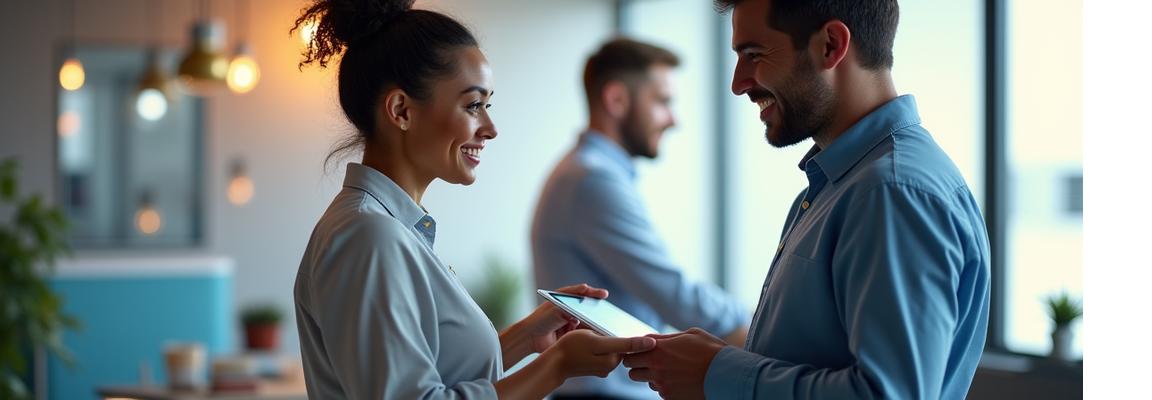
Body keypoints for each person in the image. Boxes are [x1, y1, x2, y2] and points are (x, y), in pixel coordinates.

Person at [623, 0, 991, 399]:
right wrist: (715, 363)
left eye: (754, 54)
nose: (738, 82)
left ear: (831, 45)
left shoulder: (891, 193)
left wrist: (718, 373)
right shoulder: (843, 186)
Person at [290, 1, 656, 399]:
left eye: (488, 105)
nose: (491, 128)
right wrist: (558, 365)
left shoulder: (386, 230)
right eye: (473, 105)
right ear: (401, 110)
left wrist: (526, 335)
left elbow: (434, 374)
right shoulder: (368, 237)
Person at [530, 38, 751, 400]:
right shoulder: (591, 180)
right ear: (616, 100)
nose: (673, 119)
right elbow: (674, 294)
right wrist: (763, 331)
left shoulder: (589, 173)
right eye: (663, 102)